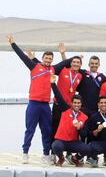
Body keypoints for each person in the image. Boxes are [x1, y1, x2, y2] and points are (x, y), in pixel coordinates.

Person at [8, 35, 72, 164]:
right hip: (34, 104)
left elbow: (66, 63)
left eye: (50, 58)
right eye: (46, 58)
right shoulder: (34, 67)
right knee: (30, 129)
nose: (48, 60)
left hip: (45, 106)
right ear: (42, 59)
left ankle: (46, 154)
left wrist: (68, 55)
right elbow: (21, 56)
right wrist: (13, 44)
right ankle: (25, 153)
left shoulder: (53, 69)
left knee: (47, 130)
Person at [50, 75, 90, 167]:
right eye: (75, 103)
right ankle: (61, 158)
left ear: (81, 104)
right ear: (71, 103)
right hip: (61, 141)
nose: (76, 104)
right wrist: (53, 84)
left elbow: (84, 134)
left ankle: (75, 158)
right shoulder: (65, 110)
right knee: (55, 146)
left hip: (73, 143)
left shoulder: (84, 116)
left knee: (87, 148)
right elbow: (59, 97)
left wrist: (80, 128)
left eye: (78, 103)